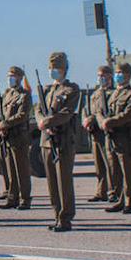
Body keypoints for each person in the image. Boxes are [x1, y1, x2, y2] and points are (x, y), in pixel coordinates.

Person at [38, 52, 81, 232]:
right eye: (50, 68)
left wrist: (48, 122)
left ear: (64, 69)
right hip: (47, 141)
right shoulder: (47, 90)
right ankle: (56, 214)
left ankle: (65, 218)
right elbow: (38, 110)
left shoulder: (71, 89)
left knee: (64, 180)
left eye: (56, 68)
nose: (53, 71)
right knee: (52, 182)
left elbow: (66, 113)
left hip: (63, 140)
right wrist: (43, 122)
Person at [101, 62, 131, 214]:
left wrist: (110, 122)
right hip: (111, 136)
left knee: (128, 171)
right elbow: (102, 111)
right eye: (116, 72)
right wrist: (104, 123)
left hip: (125, 136)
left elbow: (128, 114)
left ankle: (130, 202)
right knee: (114, 171)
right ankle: (119, 200)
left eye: (120, 72)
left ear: (128, 75)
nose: (117, 75)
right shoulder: (113, 93)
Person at [0, 66, 33, 210]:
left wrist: (4, 124)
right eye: (9, 76)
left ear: (20, 78)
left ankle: (25, 199)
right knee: (10, 170)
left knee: (21, 170)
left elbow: (22, 115)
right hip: (6, 137)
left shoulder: (25, 95)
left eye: (13, 76)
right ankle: (12, 197)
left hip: (18, 137)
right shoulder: (6, 94)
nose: (10, 79)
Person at [83, 64, 119, 203]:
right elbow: (87, 110)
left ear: (110, 76)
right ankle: (101, 191)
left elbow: (104, 113)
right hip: (94, 133)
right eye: (99, 75)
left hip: (105, 132)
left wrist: (91, 119)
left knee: (110, 164)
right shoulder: (95, 94)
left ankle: (112, 191)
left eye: (103, 75)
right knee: (99, 165)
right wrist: (85, 120)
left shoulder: (113, 93)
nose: (100, 78)